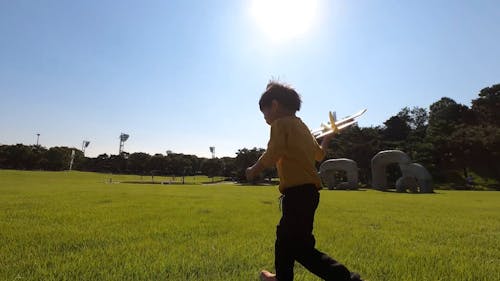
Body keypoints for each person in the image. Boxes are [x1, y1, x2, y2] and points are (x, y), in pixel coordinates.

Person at [246, 81, 364, 281]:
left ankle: (346, 278)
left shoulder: (280, 124)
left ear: (274, 105)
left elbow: (274, 151)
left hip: (297, 194)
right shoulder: (303, 127)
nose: (265, 117)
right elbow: (319, 155)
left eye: (264, 112)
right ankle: (282, 277)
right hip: (308, 194)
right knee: (286, 240)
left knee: (299, 248)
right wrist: (327, 137)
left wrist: (253, 169)